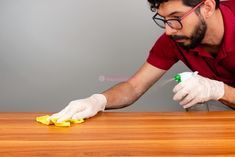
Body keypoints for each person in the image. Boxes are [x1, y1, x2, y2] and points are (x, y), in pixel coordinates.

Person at [50, 0, 235, 122]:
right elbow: (134, 87)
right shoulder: (176, 39)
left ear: (208, 7)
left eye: (176, 18)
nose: (168, 31)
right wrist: (98, 101)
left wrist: (218, 90)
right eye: (164, 19)